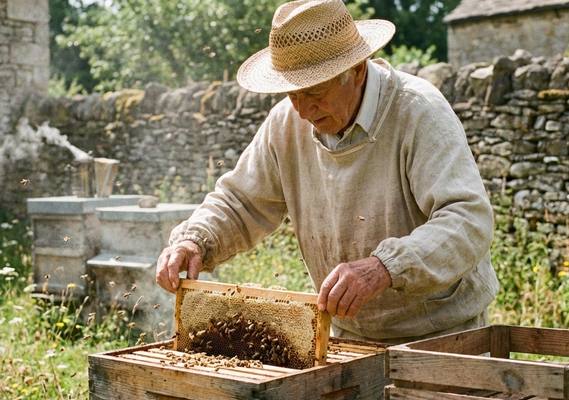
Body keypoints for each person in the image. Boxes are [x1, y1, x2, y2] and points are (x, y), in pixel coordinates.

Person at [156, 0, 499, 344]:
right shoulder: (285, 124)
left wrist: (386, 267)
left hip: (442, 336)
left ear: (358, 70)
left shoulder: (418, 112)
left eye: (314, 91)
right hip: (347, 339)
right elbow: (241, 201)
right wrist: (196, 238)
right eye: (292, 93)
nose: (302, 110)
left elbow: (467, 219)